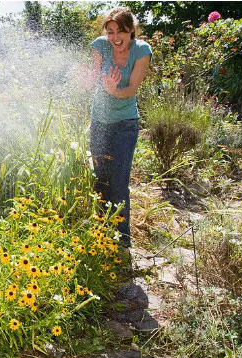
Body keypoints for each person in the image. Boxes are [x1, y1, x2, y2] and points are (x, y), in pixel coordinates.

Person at [89, 7, 152, 247]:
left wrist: (114, 90)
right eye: (111, 31)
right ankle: (101, 232)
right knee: (100, 179)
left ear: (131, 30)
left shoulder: (141, 50)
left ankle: (122, 239)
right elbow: (91, 80)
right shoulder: (100, 46)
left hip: (126, 124)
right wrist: (82, 79)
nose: (115, 38)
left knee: (118, 181)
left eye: (121, 32)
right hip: (99, 122)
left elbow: (131, 89)